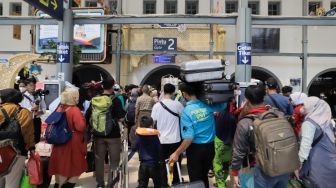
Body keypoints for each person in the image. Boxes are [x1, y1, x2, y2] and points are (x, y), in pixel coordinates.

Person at [231, 85, 290, 188]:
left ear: (247, 100)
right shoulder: (279, 115)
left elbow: (239, 151)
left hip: (262, 170)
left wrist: (235, 172)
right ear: (264, 97)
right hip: (284, 166)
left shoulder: (245, 122)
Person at [169, 83, 226, 188]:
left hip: (195, 151)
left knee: (195, 181)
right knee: (203, 177)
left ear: (185, 94)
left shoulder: (186, 112)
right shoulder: (207, 105)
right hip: (210, 149)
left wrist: (176, 153)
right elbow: (223, 104)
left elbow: (188, 138)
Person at [86, 79, 125, 188]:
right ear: (113, 86)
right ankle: (111, 184)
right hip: (113, 135)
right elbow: (121, 117)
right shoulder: (115, 99)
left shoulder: (95, 99)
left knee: (99, 160)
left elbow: (88, 116)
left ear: (102, 86)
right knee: (114, 161)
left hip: (98, 135)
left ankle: (100, 184)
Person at [48, 88, 88, 188]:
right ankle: (68, 185)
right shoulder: (75, 110)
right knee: (76, 165)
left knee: (60, 165)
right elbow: (80, 127)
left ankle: (59, 185)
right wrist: (83, 118)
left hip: (59, 140)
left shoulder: (59, 108)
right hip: (72, 141)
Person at [297, 97, 336, 188]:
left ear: (313, 107)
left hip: (318, 159)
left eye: (305, 105)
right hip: (330, 157)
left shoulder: (309, 123)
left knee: (317, 183)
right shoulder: (327, 120)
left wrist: (299, 163)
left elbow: (305, 145)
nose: (303, 107)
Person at [0, 89, 35, 188]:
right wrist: (31, 148)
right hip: (17, 151)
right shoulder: (24, 112)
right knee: (12, 182)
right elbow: (28, 134)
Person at [151, 83, 184, 186]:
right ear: (174, 92)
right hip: (175, 139)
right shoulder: (178, 104)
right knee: (174, 163)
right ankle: (175, 182)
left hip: (161, 139)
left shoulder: (156, 106)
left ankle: (164, 183)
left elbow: (153, 122)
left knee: (162, 163)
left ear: (163, 91)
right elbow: (183, 118)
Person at [132, 116, 162, 188]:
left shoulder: (139, 136)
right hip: (154, 165)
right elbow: (159, 149)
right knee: (158, 184)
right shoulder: (154, 136)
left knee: (142, 185)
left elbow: (133, 148)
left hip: (143, 166)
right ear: (151, 126)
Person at [213, 103, 236, 188]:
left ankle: (221, 184)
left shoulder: (218, 115)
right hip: (229, 144)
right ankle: (224, 180)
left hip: (218, 143)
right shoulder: (232, 117)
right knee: (226, 164)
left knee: (218, 165)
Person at [20, 77, 46, 143]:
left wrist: (40, 112)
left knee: (36, 139)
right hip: (26, 121)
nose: (33, 87)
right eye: (31, 85)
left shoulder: (38, 96)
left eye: (34, 85)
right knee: (26, 140)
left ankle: (33, 152)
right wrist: (32, 109)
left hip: (36, 120)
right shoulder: (22, 97)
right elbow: (20, 110)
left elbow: (44, 108)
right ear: (26, 86)